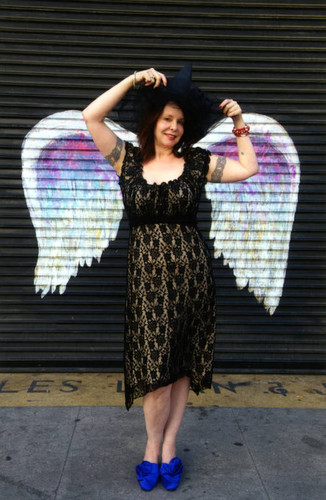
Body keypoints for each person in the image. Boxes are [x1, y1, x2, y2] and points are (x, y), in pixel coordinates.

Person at [82, 65, 258, 492]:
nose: (174, 128)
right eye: (167, 120)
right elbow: (90, 116)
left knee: (180, 369)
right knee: (155, 372)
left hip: (192, 279)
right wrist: (132, 79)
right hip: (146, 284)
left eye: (180, 123)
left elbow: (248, 168)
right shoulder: (127, 159)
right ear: (153, 121)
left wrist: (239, 123)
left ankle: (169, 448)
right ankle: (150, 446)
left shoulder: (197, 163)